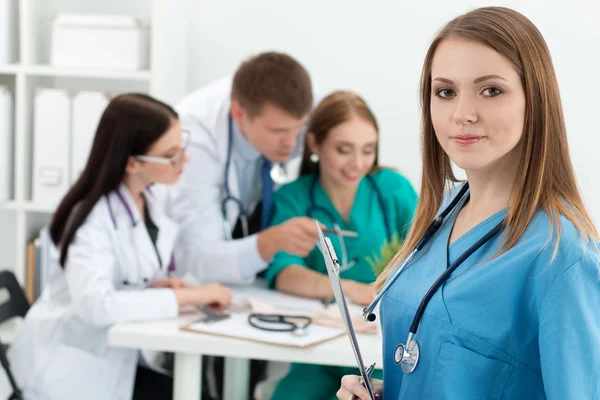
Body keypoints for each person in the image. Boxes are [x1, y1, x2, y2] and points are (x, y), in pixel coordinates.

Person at [338, 6, 600, 400]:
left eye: (491, 90)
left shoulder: (561, 259)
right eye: (445, 92)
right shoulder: (438, 217)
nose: (462, 114)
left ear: (536, 100)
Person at [0, 94, 232, 400]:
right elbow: (96, 305)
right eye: (171, 154)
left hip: (115, 361)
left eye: (182, 148)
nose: (184, 160)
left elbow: (119, 278)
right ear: (132, 163)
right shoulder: (91, 219)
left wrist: (154, 287)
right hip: (69, 373)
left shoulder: (146, 201)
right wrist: (184, 296)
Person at [266, 91, 418, 400]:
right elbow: (285, 273)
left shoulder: (392, 190)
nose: (358, 163)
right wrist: (350, 288)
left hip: (383, 346)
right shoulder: (294, 198)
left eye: (368, 150)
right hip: (319, 349)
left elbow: (427, 256)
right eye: (344, 150)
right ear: (315, 144)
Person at [169, 51, 322, 285]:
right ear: (238, 113)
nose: (291, 143)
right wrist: (271, 242)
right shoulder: (194, 137)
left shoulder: (307, 103)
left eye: (298, 128)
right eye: (278, 131)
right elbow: (195, 259)